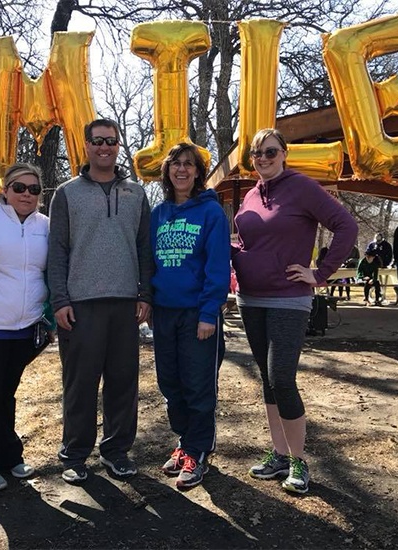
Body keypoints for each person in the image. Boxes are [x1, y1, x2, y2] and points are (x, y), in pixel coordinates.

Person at [232, 128, 357, 494]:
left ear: (284, 153)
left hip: (289, 298)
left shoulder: (301, 187)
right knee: (267, 380)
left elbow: (346, 226)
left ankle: (300, 461)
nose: (263, 159)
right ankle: (279, 454)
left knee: (282, 377)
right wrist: (234, 257)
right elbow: (250, 241)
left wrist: (320, 273)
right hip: (250, 299)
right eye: (257, 153)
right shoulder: (252, 194)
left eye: (270, 152)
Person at [48, 119, 153, 484]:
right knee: (80, 383)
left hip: (125, 303)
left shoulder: (136, 194)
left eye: (111, 141)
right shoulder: (66, 193)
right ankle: (75, 454)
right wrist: (59, 299)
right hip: (81, 304)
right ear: (87, 145)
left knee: (123, 382)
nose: (105, 147)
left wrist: (145, 294)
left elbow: (144, 249)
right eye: (98, 141)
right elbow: (57, 250)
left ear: (118, 145)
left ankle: (116, 451)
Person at [0, 163, 54, 492]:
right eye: (19, 187)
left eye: (34, 189)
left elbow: (50, 273)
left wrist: (48, 312)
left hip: (27, 326)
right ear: (5, 190)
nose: (26, 194)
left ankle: (9, 455)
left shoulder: (45, 226)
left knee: (7, 395)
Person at [150, 143, 230, 489]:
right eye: (175, 164)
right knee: (171, 383)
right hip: (164, 314)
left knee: (198, 386)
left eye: (189, 165)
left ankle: (198, 452)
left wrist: (209, 313)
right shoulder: (158, 214)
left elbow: (217, 266)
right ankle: (185, 442)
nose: (182, 170)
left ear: (198, 172)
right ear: (167, 172)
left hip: (198, 314)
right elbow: (148, 262)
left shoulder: (211, 213)